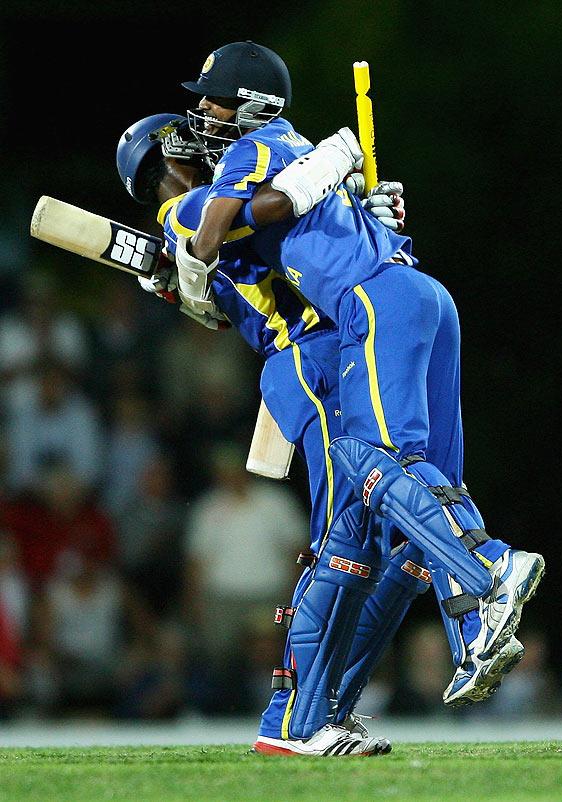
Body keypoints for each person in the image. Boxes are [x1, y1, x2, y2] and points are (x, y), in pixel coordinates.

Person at [175, 41, 544, 722]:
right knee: (426, 486)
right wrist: (331, 188)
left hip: (366, 306)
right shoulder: (282, 160)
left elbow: (234, 220)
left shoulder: (253, 149)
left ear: (250, 104)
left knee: (369, 464)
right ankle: (475, 628)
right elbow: (257, 218)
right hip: (417, 294)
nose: (200, 114)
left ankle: (489, 571)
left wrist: (201, 263)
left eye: (211, 99)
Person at [117, 111, 425, 756]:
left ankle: (323, 707)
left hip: (324, 350)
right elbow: (271, 206)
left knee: (371, 541)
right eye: (187, 136)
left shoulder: (206, 219)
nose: (204, 138)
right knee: (341, 536)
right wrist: (327, 170)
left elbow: (283, 242)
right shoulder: (189, 210)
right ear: (166, 155)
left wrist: (361, 212)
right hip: (306, 358)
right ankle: (291, 718)